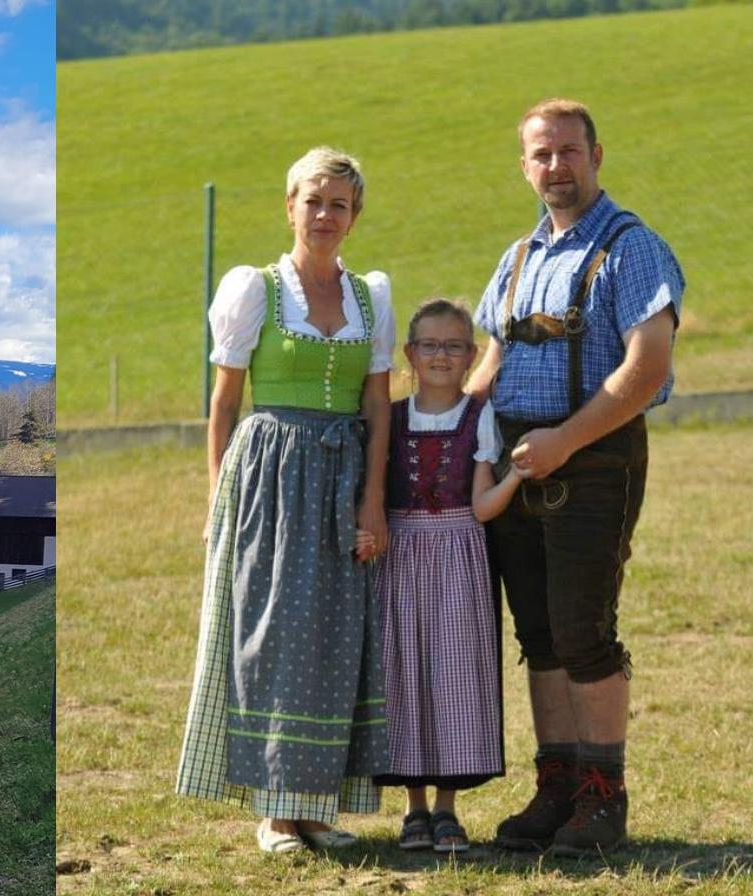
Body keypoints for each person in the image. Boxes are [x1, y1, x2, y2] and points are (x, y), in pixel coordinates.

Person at [467, 98, 683, 856]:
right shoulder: (518, 258)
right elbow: (490, 358)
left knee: (584, 631)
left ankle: (604, 796)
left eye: (568, 151)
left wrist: (564, 440)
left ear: (597, 155)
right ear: (524, 166)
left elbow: (647, 367)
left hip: (594, 458)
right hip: (517, 462)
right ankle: (556, 787)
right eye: (541, 155)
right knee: (541, 634)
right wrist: (443, 435)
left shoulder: (632, 248)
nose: (555, 166)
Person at [177, 146, 394, 854]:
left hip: (342, 474)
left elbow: (378, 404)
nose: (325, 214)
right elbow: (224, 403)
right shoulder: (255, 289)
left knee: (335, 635)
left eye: (340, 204)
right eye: (314, 200)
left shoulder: (371, 297)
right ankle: (273, 810)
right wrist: (219, 501)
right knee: (271, 633)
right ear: (290, 206)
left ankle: (314, 805)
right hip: (269, 473)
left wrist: (372, 503)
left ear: (354, 216)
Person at [371, 299, 523, 854]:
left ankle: (447, 808)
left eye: (454, 345)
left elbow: (482, 506)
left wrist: (516, 477)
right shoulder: (389, 415)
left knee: (454, 673)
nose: (441, 355)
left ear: (471, 356)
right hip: (401, 554)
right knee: (404, 670)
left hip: (460, 552)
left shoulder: (479, 417)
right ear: (410, 354)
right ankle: (413, 809)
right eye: (429, 345)